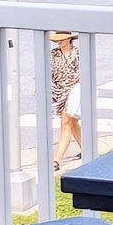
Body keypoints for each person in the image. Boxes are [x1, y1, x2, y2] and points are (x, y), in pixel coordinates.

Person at [49, 30, 82, 170]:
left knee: (66, 122)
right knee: (72, 123)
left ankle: (57, 159)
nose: (59, 42)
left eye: (62, 39)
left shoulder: (78, 53)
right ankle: (87, 148)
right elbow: (47, 71)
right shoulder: (54, 54)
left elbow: (86, 70)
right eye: (58, 40)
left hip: (75, 90)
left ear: (69, 39)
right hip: (59, 92)